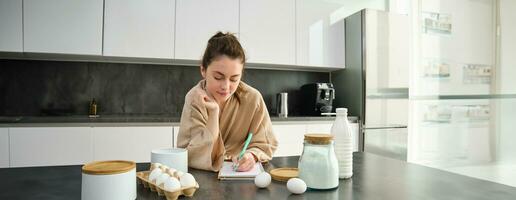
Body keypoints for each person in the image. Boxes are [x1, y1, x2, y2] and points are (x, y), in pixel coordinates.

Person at [177, 32, 278, 172]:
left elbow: (265, 143)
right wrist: (213, 113)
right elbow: (192, 154)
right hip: (201, 180)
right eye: (218, 77)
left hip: (241, 180)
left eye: (234, 79)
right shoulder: (194, 99)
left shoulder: (253, 99)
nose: (226, 86)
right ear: (203, 70)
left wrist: (251, 156)